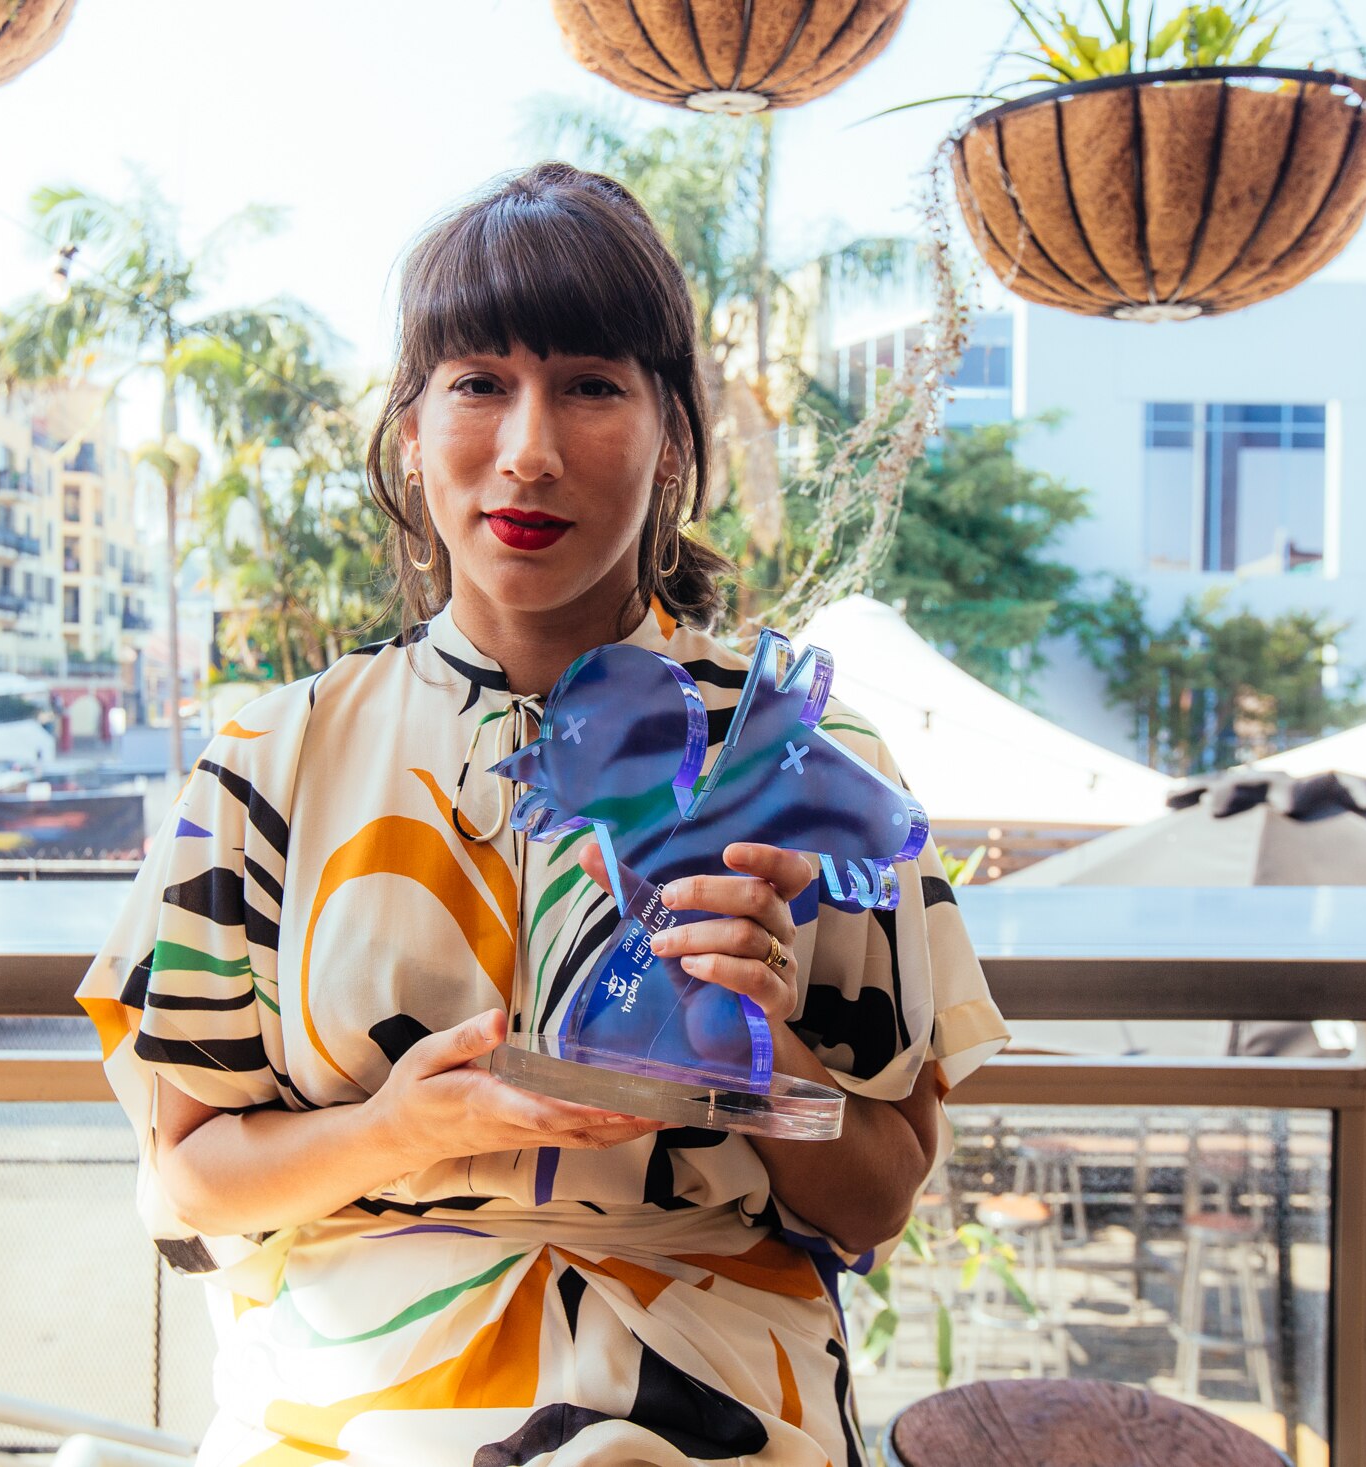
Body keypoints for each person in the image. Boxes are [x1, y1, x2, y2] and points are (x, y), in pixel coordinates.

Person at [76, 161, 1009, 1467]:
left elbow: (881, 1192)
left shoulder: (799, 754)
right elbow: (190, 1177)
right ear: (410, 429)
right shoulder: (265, 764)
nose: (530, 449)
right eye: (478, 384)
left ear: (673, 434)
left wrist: (764, 1058)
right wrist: (405, 1126)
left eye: (591, 385)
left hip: (712, 1395)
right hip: (350, 1406)